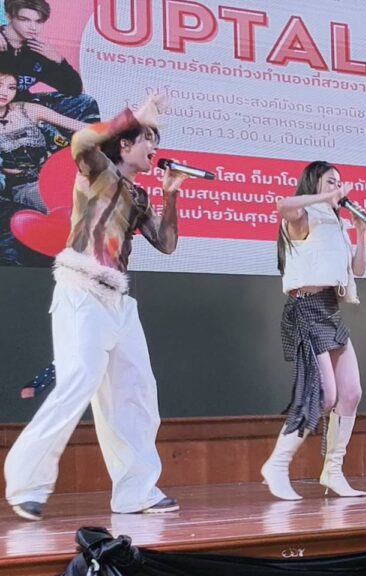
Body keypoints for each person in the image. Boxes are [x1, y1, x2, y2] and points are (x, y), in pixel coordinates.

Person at [4, 92, 187, 521]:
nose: (154, 148)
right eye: (147, 139)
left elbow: (167, 244)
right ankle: (26, 484)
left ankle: (136, 493)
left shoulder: (138, 196)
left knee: (137, 394)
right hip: (81, 289)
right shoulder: (97, 170)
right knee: (77, 382)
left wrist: (171, 196)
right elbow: (81, 141)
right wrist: (134, 115)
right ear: (124, 143)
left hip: (118, 302)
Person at [261, 160, 366, 501]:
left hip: (329, 308)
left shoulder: (336, 224)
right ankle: (277, 465)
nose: (337, 187)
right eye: (330, 181)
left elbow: (359, 270)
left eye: (339, 182)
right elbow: (282, 205)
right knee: (323, 394)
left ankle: (333, 470)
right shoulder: (303, 215)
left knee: (351, 393)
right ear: (314, 184)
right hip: (305, 307)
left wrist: (361, 232)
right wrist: (323, 198)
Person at [0, 62, 86, 265]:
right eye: (0, 85)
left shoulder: (26, 109)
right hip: (23, 186)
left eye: (11, 87)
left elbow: (80, 126)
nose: (5, 92)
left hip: (53, 177)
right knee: (63, 211)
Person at [0, 0, 100, 149]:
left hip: (26, 104)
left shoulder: (37, 50)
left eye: (38, 21)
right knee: (45, 129)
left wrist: (59, 60)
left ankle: (87, 149)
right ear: (9, 16)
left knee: (84, 101)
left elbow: (73, 89)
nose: (33, 27)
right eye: (25, 20)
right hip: (7, 110)